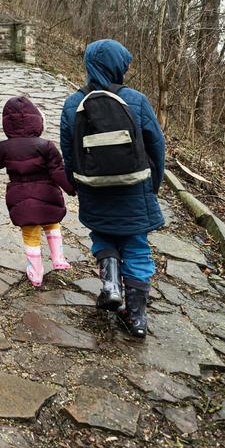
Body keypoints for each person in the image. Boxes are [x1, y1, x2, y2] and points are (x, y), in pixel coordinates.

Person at [59, 39, 167, 338]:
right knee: (137, 246)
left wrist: (76, 183)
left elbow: (69, 152)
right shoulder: (136, 100)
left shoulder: (73, 104)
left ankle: (110, 285)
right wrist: (152, 183)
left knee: (103, 235)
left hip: (94, 187)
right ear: (117, 66)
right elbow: (157, 146)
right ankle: (137, 317)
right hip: (136, 187)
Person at [0, 94, 76, 287]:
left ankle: (36, 272)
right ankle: (58, 258)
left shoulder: (5, 148)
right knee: (52, 224)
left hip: (20, 197)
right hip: (47, 193)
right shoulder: (46, 146)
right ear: (37, 121)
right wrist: (71, 188)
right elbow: (58, 171)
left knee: (30, 234)